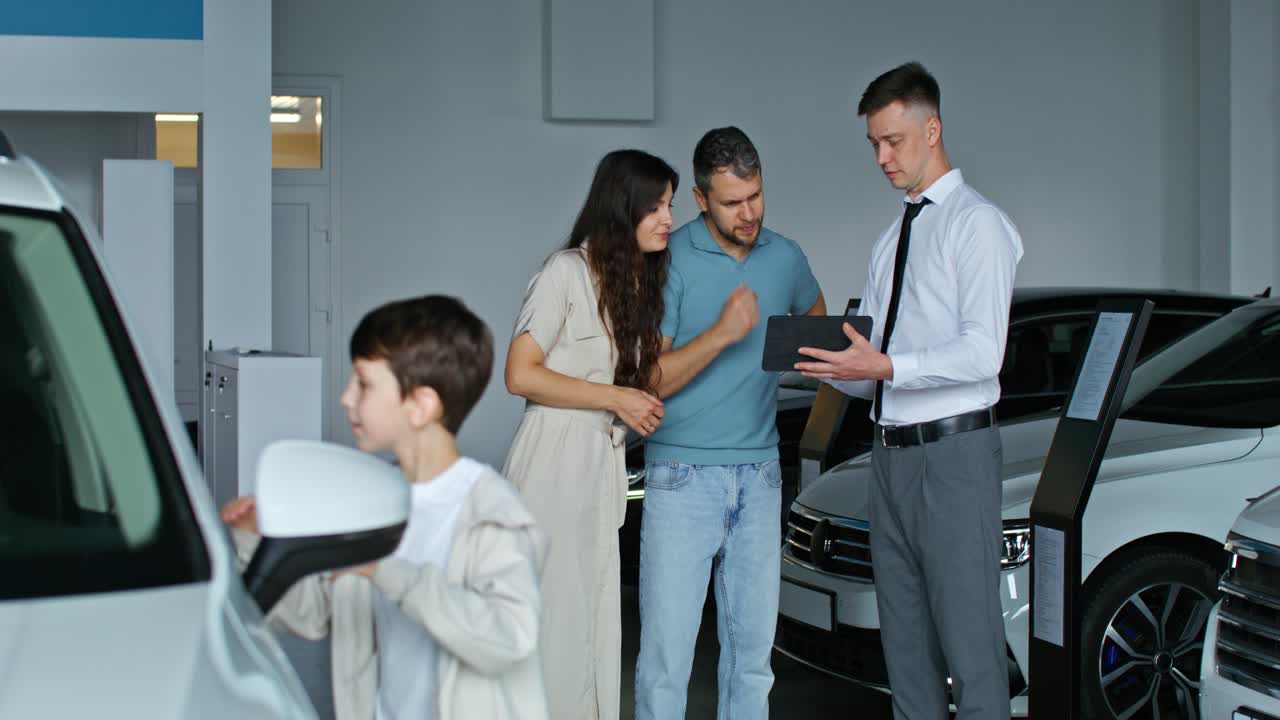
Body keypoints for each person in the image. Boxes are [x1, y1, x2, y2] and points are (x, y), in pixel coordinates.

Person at [796, 62, 1023, 720]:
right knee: (904, 651)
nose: (882, 158)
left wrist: (888, 366)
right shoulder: (891, 238)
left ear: (932, 129)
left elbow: (984, 352)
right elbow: (876, 367)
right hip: (889, 456)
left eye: (893, 140)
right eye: (874, 144)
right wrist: (836, 368)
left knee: (971, 648)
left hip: (954, 458)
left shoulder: (976, 224)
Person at [222, 295, 549, 720]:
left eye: (363, 383)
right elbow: (311, 615)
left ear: (421, 406)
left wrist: (388, 572)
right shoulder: (367, 501)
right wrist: (254, 540)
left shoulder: (493, 514)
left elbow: (510, 636)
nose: (346, 398)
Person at [634, 126, 826, 720]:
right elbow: (648, 380)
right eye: (732, 202)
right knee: (667, 659)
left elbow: (816, 328)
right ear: (699, 199)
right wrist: (722, 334)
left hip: (761, 474)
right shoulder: (669, 259)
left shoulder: (786, 256)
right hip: (680, 476)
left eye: (756, 196)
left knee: (752, 661)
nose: (749, 214)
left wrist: (801, 352)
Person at [502, 149, 676, 720]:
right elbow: (520, 375)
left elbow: (635, 379)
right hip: (553, 461)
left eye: (671, 206)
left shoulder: (631, 285)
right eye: (657, 206)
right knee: (558, 620)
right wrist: (615, 397)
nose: (668, 219)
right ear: (623, 208)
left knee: (593, 620)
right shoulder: (565, 272)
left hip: (599, 463)